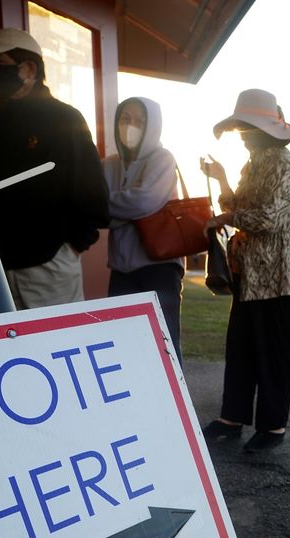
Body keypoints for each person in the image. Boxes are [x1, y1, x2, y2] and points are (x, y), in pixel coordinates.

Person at [199, 89, 290, 452]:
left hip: (280, 278)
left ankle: (273, 426)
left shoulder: (285, 166)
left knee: (273, 354)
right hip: (251, 277)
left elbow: (269, 218)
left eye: (248, 128)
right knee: (242, 348)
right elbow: (238, 204)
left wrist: (227, 217)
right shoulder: (256, 163)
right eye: (241, 128)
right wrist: (221, 178)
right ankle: (232, 418)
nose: (243, 135)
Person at [0, 28, 109, 308]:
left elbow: (93, 193)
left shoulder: (65, 118)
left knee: (60, 342)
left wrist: (70, 247)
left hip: (50, 268)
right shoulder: (0, 125)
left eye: (0, 64)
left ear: (29, 68)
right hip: (2, 266)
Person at [103, 97, 184, 359]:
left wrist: (113, 211)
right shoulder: (109, 164)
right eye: (125, 119)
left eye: (139, 120)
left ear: (153, 125)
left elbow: (144, 200)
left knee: (164, 343)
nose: (131, 125)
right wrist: (128, 211)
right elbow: (97, 209)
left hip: (159, 266)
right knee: (122, 346)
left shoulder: (162, 158)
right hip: (121, 270)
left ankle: (174, 401)